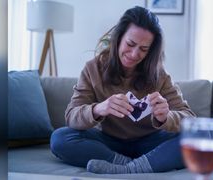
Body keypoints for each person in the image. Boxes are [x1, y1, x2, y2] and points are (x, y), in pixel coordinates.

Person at [50, 6, 195, 174]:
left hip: (150, 143)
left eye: (143, 49)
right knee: (59, 138)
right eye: (130, 44)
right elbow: (71, 117)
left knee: (202, 136)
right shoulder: (93, 68)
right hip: (109, 143)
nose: (134, 54)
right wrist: (98, 109)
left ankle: (128, 169)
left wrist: (166, 117)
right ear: (118, 38)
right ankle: (130, 164)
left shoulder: (159, 75)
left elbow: (189, 118)